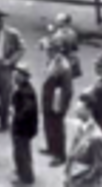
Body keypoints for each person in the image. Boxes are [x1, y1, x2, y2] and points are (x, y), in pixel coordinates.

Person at [64, 92, 102, 187]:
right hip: (73, 177)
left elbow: (99, 167)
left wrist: (81, 182)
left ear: (89, 110)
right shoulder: (80, 127)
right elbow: (73, 153)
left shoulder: (97, 137)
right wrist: (67, 173)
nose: (75, 110)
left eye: (79, 108)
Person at [40, 35, 73, 167]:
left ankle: (60, 154)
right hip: (49, 97)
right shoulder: (52, 61)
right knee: (48, 124)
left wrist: (62, 106)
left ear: (57, 50)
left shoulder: (63, 66)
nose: (48, 52)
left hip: (57, 100)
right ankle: (51, 147)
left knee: (57, 127)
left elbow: (67, 89)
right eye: (48, 49)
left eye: (51, 49)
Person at [10, 62, 38, 186]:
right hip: (24, 127)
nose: (14, 76)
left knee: (21, 152)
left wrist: (17, 116)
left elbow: (28, 109)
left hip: (22, 128)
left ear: (24, 76)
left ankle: (26, 178)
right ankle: (22, 170)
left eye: (17, 74)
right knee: (23, 151)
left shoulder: (26, 92)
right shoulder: (23, 88)